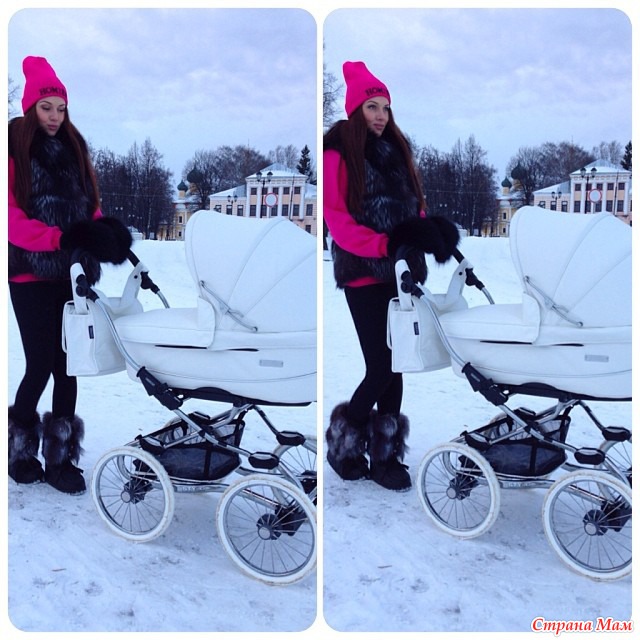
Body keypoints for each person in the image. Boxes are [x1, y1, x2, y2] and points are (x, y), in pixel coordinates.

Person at [324, 61, 459, 491]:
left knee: (397, 364)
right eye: (372, 106)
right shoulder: (337, 154)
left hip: (400, 273)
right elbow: (338, 221)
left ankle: (385, 457)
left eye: (385, 107)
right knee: (380, 366)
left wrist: (428, 232)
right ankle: (344, 445)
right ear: (354, 110)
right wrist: (386, 244)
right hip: (364, 272)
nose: (381, 115)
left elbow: (412, 209)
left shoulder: (397, 153)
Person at [8, 56, 132, 495]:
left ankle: (60, 459)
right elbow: (12, 220)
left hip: (71, 274)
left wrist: (103, 235)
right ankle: (20, 452)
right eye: (46, 108)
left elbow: (88, 208)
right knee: (40, 364)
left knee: (68, 366)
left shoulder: (75, 150)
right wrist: (60, 239)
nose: (55, 117)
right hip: (30, 275)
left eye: (61, 108)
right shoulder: (13, 152)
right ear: (30, 108)